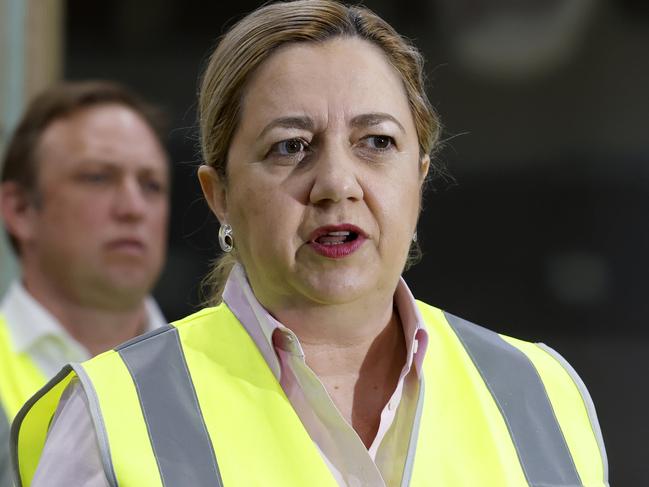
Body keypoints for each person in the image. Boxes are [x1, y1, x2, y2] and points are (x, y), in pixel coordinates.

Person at [12, 2, 608, 486]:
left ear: (419, 179)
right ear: (218, 193)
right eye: (291, 146)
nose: (337, 184)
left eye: (376, 141)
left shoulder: (545, 396)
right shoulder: (112, 414)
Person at [0, 81, 169, 486]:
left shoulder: (221, 373)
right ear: (20, 209)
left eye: (151, 185)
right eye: (97, 178)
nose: (133, 208)